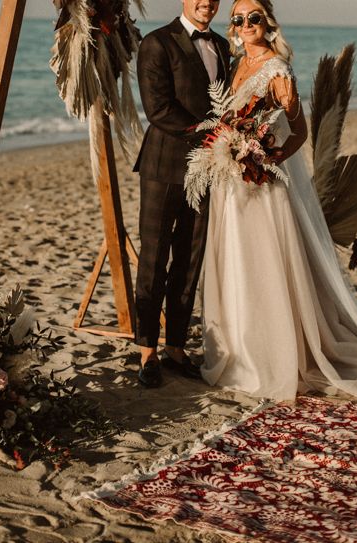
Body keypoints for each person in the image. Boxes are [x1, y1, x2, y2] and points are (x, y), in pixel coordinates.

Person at [198, 0, 357, 401]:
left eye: (253, 17)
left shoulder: (277, 69)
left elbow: (298, 131)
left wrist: (267, 156)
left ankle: (270, 356)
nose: (245, 24)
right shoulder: (237, 66)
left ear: (268, 23)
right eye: (238, 19)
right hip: (230, 184)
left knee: (263, 265)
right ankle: (238, 352)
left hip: (262, 186)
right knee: (236, 263)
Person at [133, 0, 231, 387]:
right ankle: (146, 352)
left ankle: (175, 346)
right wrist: (213, 134)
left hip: (209, 168)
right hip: (164, 167)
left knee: (190, 260)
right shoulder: (157, 43)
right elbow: (158, 109)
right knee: (154, 259)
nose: (206, 1)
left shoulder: (223, 46)